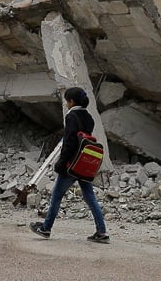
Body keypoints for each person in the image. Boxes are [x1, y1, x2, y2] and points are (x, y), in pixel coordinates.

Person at [30, 87, 109, 244]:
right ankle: (102, 232)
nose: (66, 104)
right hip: (84, 164)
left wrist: (61, 163)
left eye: (67, 101)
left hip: (71, 165)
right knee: (90, 197)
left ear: (72, 102)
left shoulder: (71, 116)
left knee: (57, 196)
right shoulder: (89, 118)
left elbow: (69, 142)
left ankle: (46, 228)